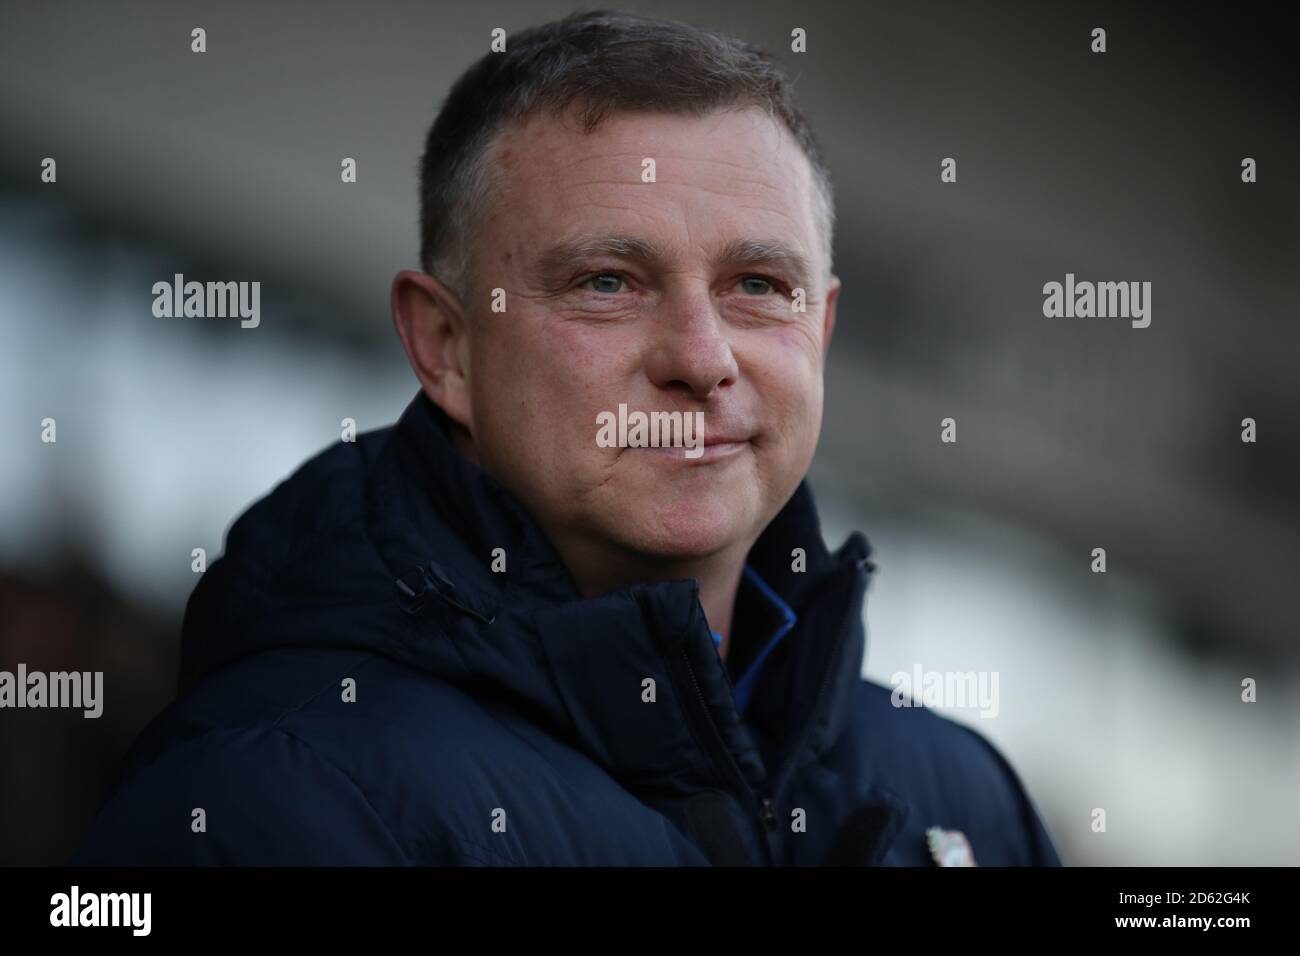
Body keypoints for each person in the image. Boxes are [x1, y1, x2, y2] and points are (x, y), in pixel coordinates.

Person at [72, 9, 1061, 866]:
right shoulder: (266, 806)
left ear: (823, 329)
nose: (702, 357)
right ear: (446, 346)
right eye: (607, 283)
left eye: (757, 286)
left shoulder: (963, 801)